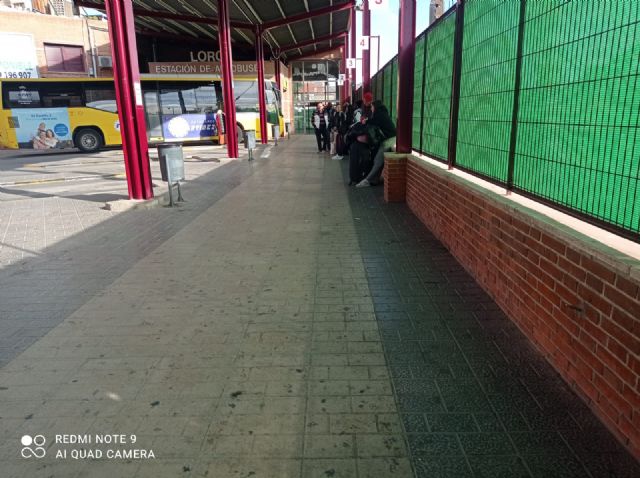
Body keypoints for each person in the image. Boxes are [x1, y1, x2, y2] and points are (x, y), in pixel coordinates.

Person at [356, 100, 396, 187]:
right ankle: (374, 179)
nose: (371, 109)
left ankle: (367, 180)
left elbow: (373, 121)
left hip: (389, 140)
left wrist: (365, 121)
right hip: (390, 139)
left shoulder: (380, 115)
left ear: (376, 107)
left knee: (378, 160)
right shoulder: (382, 113)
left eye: (372, 107)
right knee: (378, 160)